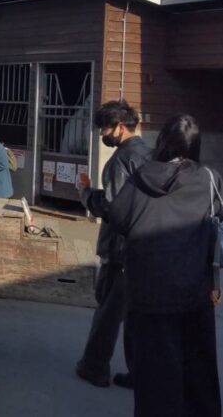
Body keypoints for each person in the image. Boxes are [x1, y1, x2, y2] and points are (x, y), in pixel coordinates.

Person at [82, 114, 223, 417]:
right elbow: (220, 223)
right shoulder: (209, 178)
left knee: (156, 371)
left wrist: (91, 198)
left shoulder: (142, 177)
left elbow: (119, 218)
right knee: (197, 366)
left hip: (149, 290)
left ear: (162, 142)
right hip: (196, 291)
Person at [75, 100, 152, 390]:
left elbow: (112, 207)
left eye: (104, 128)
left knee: (108, 312)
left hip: (120, 249)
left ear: (120, 127)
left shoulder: (120, 160)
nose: (101, 134)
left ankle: (94, 367)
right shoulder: (151, 154)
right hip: (146, 248)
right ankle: (139, 371)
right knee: (137, 316)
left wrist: (86, 194)